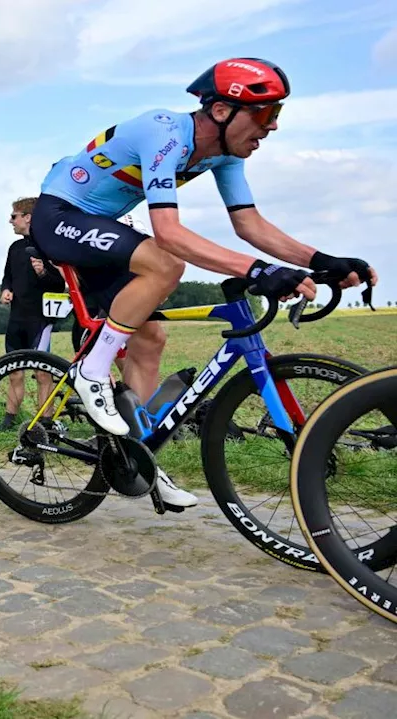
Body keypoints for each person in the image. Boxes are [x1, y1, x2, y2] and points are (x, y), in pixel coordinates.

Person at [31, 58, 377, 509]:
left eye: (278, 115)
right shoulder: (166, 133)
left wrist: (320, 259)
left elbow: (249, 224)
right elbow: (169, 232)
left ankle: (143, 460)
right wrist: (256, 270)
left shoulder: (225, 155)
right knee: (166, 262)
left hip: (102, 228)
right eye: (266, 114)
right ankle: (90, 372)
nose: (271, 128)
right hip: (60, 216)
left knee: (150, 337)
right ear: (221, 111)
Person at [0, 197, 66, 431]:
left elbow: (60, 284)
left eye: (14, 216)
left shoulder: (49, 246)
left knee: (42, 372)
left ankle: (45, 421)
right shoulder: (15, 248)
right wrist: (6, 289)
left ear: (28, 217)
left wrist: (43, 273)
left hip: (40, 319)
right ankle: (9, 418)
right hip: (16, 318)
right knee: (14, 371)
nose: (10, 221)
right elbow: (8, 275)